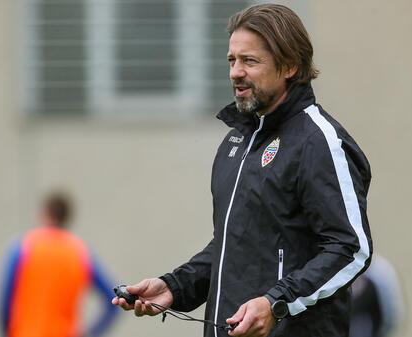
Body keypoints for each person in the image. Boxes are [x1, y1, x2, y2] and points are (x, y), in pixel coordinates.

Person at [113, 4, 373, 337]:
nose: (236, 72)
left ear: (290, 65)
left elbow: (350, 248)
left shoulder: (319, 142)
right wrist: (174, 287)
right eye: (231, 61)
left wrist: (276, 303)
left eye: (249, 61)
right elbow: (233, 247)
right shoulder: (236, 142)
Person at [0, 192, 118, 337]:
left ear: (44, 213)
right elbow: (113, 300)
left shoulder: (22, 247)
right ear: (66, 217)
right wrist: (91, 333)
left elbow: (5, 304)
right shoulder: (81, 253)